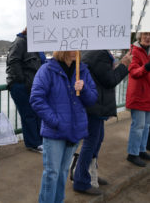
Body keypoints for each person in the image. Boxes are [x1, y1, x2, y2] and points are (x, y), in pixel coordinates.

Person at [30, 51, 98, 203]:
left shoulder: (83, 70)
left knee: (62, 172)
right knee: (52, 173)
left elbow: (92, 99)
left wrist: (84, 88)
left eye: (77, 47)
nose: (75, 51)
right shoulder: (47, 70)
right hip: (55, 131)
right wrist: (56, 121)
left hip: (74, 130)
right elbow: (36, 99)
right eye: (71, 46)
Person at [73, 50, 132, 195]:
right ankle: (80, 180)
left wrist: (117, 65)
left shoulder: (95, 52)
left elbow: (102, 75)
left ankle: (89, 174)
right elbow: (110, 80)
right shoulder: (99, 54)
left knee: (96, 140)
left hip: (95, 105)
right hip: (95, 106)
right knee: (91, 142)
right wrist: (124, 65)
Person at [6, 28, 46, 153]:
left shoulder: (35, 45)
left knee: (36, 114)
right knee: (28, 114)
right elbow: (13, 62)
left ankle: (39, 141)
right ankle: (33, 143)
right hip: (21, 86)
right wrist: (23, 81)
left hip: (33, 86)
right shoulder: (20, 42)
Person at [126, 32, 150, 167]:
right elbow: (134, 72)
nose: (148, 37)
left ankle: (141, 150)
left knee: (146, 126)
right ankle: (132, 153)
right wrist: (147, 67)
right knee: (138, 126)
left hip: (148, 95)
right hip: (138, 95)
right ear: (140, 36)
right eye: (145, 34)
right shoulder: (134, 51)